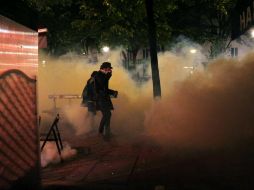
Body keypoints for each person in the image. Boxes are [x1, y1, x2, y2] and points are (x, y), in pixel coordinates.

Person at [93, 62, 118, 140]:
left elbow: (104, 88)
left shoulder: (102, 75)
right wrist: (108, 76)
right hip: (101, 99)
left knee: (107, 115)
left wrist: (113, 92)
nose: (110, 70)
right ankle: (106, 134)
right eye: (109, 68)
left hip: (103, 98)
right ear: (105, 68)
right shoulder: (99, 75)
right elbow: (103, 85)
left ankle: (101, 132)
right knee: (107, 115)